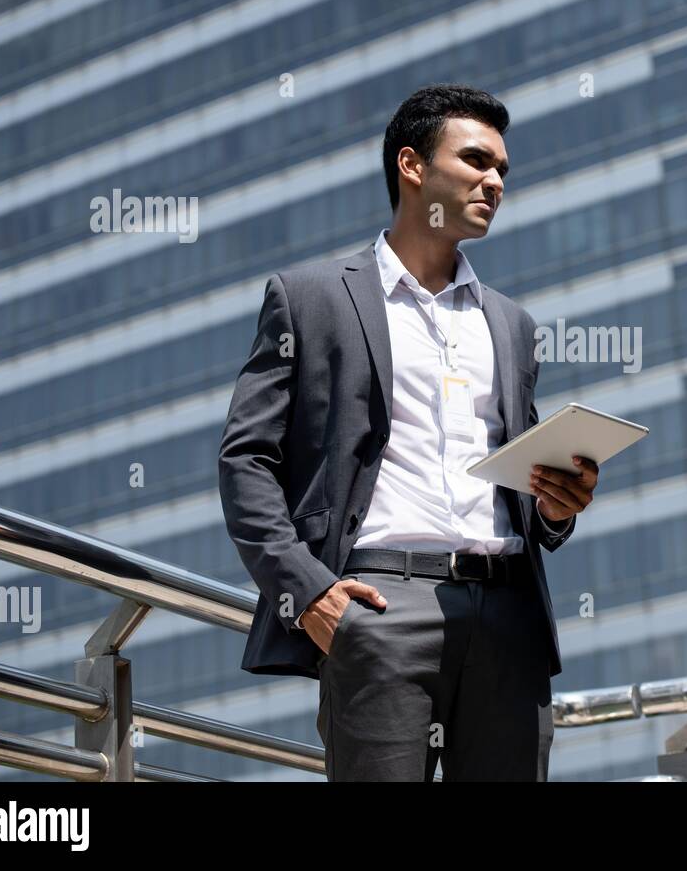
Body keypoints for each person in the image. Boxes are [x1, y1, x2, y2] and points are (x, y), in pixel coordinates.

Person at [218, 84, 599, 780]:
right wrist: (307, 591)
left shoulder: (511, 323)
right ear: (412, 166)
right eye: (477, 160)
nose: (495, 181)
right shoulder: (310, 297)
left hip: (510, 610)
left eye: (503, 170)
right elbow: (246, 458)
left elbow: (524, 485)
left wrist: (555, 501)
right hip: (380, 607)